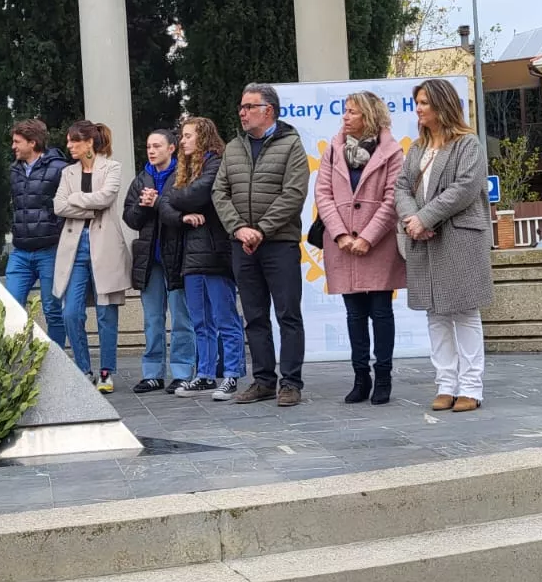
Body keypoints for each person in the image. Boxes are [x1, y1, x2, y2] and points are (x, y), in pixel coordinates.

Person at [395, 78, 495, 413]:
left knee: (464, 311)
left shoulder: (467, 145)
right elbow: (401, 188)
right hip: (424, 239)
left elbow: (465, 188)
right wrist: (413, 220)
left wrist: (425, 218)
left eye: (424, 103)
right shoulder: (417, 148)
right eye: (417, 103)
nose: (418, 109)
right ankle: (446, 384)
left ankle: (471, 387)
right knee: (436, 312)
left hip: (459, 237)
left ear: (442, 105)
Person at [214, 83, 310, 407]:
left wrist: (262, 230)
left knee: (287, 315)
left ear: (267, 110)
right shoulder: (233, 148)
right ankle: (264, 380)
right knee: (254, 316)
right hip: (242, 244)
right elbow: (219, 192)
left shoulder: (292, 145)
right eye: (241, 107)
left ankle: (291, 383)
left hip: (279, 244)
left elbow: (293, 194)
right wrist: (240, 229)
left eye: (248, 107)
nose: (242, 112)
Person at [314, 92, 407, 406]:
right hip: (341, 244)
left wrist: (367, 236)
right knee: (354, 314)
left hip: (377, 244)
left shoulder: (392, 152)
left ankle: (383, 376)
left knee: (380, 311)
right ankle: (360, 377)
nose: (345, 117)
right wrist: (340, 235)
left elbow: (393, 199)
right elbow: (323, 194)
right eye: (345, 112)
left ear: (368, 116)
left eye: (352, 112)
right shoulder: (333, 149)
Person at [163, 117, 246, 401]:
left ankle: (232, 374)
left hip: (216, 251)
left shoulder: (216, 163)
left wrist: (177, 199)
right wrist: (182, 214)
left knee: (225, 317)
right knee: (200, 321)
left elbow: (197, 195)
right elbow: (167, 203)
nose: (182, 141)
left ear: (203, 137)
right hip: (190, 256)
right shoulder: (182, 170)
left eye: (187, 136)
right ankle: (205, 374)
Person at [52, 120, 132, 393]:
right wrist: (86, 207)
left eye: (74, 141)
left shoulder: (113, 167)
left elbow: (106, 198)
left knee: (105, 312)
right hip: (75, 248)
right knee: (71, 312)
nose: (69, 146)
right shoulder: (67, 173)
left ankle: (106, 372)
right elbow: (58, 206)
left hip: (105, 246)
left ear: (88, 143)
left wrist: (76, 200)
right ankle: (83, 369)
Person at [123, 129, 196, 395]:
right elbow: (129, 218)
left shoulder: (184, 176)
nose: (151, 151)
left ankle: (182, 371)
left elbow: (186, 213)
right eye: (148, 146)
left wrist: (158, 204)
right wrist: (142, 206)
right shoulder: (141, 178)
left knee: (180, 319)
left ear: (172, 148)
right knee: (152, 320)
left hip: (176, 257)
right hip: (149, 260)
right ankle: (152, 373)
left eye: (157, 146)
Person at [5, 118, 68, 347]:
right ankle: (19, 358)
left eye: (17, 141)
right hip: (20, 251)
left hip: (49, 250)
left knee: (53, 309)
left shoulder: (60, 168)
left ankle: (57, 362)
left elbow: (66, 206)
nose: (13, 146)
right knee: (10, 306)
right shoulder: (14, 170)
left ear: (32, 143)